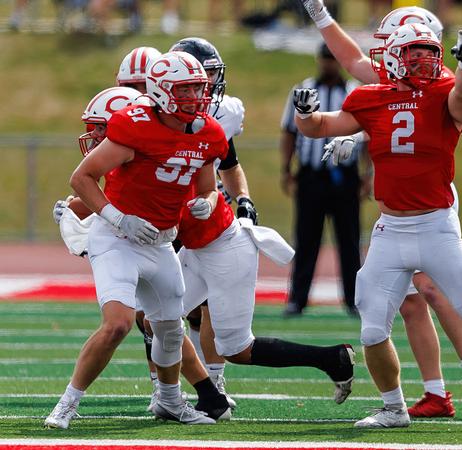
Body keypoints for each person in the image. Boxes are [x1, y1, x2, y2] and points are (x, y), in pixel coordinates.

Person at [294, 22, 462, 429]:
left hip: (436, 226)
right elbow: (319, 126)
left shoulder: (445, 89)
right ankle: (394, 408)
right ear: (394, 57)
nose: (425, 60)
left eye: (429, 52)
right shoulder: (371, 97)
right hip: (390, 229)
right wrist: (305, 113)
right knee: (372, 327)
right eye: (415, 53)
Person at [46, 51, 228, 428]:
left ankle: (170, 401)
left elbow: (209, 189)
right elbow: (82, 177)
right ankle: (67, 403)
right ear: (161, 92)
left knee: (170, 330)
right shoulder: (136, 126)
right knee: (118, 324)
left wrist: (206, 204)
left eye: (199, 88)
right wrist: (119, 218)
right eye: (186, 89)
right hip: (117, 239)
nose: (196, 96)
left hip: (161, 242)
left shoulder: (209, 132)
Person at [168, 35, 258, 410]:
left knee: (207, 305)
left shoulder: (219, 117)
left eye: (209, 77)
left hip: (207, 214)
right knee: (160, 311)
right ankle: (166, 388)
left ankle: (213, 384)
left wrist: (244, 199)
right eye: (197, 78)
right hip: (167, 215)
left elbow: (229, 164)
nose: (206, 87)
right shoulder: (155, 115)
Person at [280, 43, 365, 318]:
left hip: (345, 177)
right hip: (312, 175)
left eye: (333, 58)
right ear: (319, 60)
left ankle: (354, 299)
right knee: (306, 239)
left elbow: (370, 135)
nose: (329, 64)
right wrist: (286, 168)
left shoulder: (355, 91)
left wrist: (369, 174)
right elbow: (290, 132)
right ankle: (298, 299)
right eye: (326, 58)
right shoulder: (302, 90)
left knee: (349, 240)